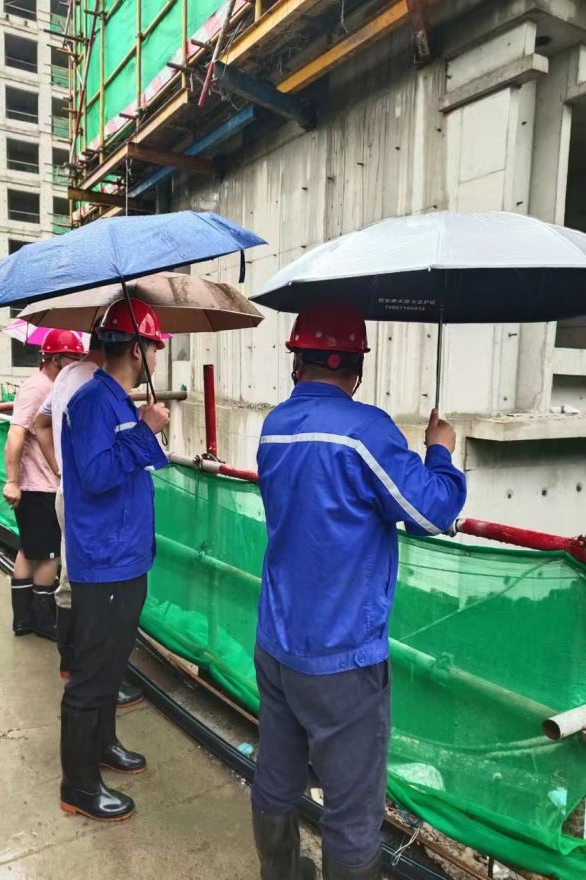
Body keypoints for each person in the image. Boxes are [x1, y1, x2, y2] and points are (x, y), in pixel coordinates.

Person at [252, 302, 467, 880]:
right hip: (342, 657)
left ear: (297, 362)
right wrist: (440, 450)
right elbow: (432, 510)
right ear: (356, 368)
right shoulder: (364, 429)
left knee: (276, 775)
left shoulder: (274, 426)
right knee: (351, 811)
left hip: (276, 641)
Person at [59, 298, 170, 822]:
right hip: (104, 558)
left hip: (125, 557)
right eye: (155, 345)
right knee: (91, 674)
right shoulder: (92, 401)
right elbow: (99, 475)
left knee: (111, 663)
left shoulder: (118, 400)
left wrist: (144, 425)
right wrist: (146, 432)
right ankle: (78, 785)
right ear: (137, 349)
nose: (158, 355)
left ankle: (103, 744)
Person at [33, 330, 145, 708]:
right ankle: (90, 677)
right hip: (95, 512)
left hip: (71, 496)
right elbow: (101, 471)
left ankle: (74, 666)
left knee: (72, 582)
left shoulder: (68, 375)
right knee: (96, 597)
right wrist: (145, 430)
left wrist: (60, 469)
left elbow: (41, 423)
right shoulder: (94, 387)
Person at [3, 329, 85, 639]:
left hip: (36, 484)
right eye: (73, 358)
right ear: (55, 358)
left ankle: (23, 620)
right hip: (39, 485)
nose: (77, 363)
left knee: (29, 550)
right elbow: (15, 433)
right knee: (49, 553)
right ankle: (43, 621)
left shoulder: (48, 386)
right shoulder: (39, 388)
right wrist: (12, 481)